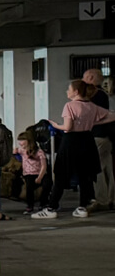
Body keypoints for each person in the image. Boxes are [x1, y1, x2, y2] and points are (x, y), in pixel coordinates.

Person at [37, 80, 115, 218]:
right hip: (87, 140)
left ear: (76, 92)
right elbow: (111, 115)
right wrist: (94, 121)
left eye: (69, 89)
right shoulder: (92, 106)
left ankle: (51, 208)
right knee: (85, 175)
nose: (67, 91)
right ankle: (82, 207)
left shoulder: (69, 106)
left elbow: (67, 127)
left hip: (71, 141)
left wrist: (55, 125)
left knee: (61, 174)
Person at [83, 69, 115, 212]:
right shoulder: (105, 95)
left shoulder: (96, 96)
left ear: (90, 77)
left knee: (97, 169)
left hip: (98, 137)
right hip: (106, 137)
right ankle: (111, 198)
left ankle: (101, 200)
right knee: (108, 168)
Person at [16, 133, 49, 216]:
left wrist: (40, 177)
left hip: (39, 173)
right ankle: (30, 206)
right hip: (28, 174)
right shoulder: (22, 150)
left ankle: (43, 203)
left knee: (47, 184)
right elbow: (14, 151)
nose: (20, 143)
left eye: (22, 140)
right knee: (29, 188)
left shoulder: (39, 152)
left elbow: (44, 166)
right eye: (19, 141)